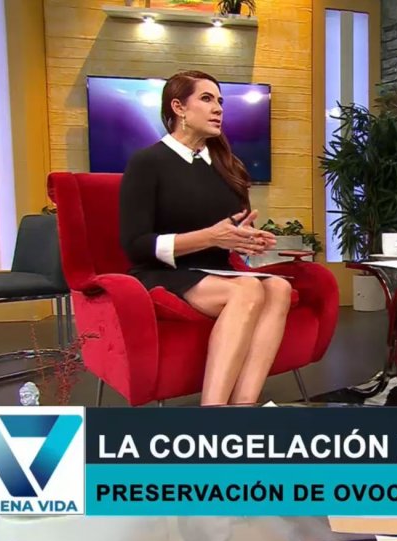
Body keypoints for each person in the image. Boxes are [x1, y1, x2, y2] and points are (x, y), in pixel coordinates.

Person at [119, 70, 292, 407]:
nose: (219, 109)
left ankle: (244, 407)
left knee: (279, 288)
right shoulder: (147, 162)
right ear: (179, 108)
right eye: (207, 99)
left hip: (215, 270)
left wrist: (246, 239)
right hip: (163, 272)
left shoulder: (228, 166)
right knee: (248, 290)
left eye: (220, 102)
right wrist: (210, 237)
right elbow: (136, 245)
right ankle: (212, 413)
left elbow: (229, 231)